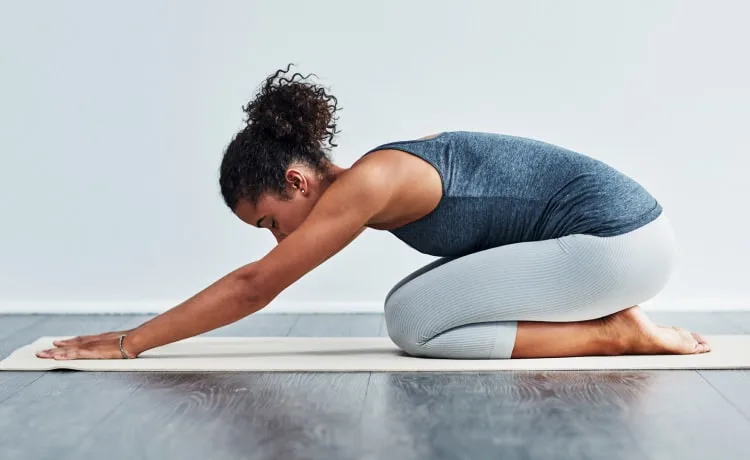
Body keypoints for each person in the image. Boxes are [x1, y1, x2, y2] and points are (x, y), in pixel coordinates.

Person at [36, 63, 709, 361]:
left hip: (618, 244)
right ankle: (609, 321)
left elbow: (255, 286)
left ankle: (612, 333)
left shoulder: (371, 181)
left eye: (269, 221)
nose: (275, 239)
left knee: (412, 320)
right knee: (411, 306)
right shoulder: (378, 177)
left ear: (298, 180)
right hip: (615, 241)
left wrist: (129, 342)